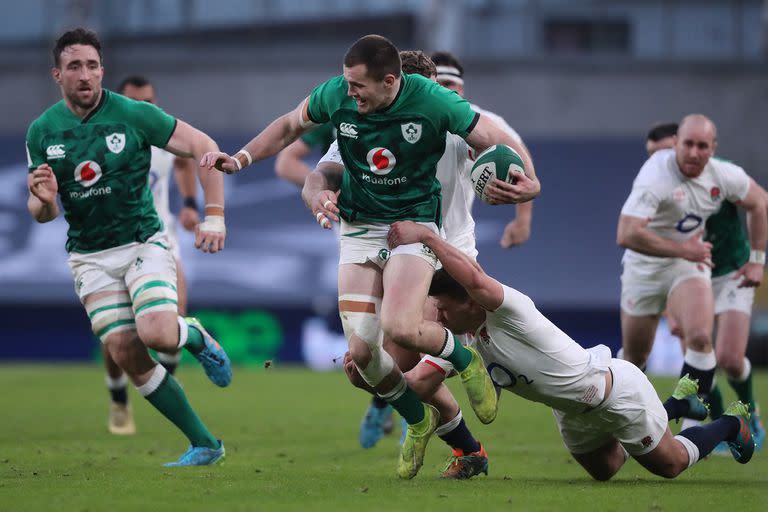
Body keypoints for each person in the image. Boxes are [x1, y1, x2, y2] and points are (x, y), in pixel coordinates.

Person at [201, 34, 540, 478]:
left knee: (408, 345)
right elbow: (301, 147)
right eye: (349, 84)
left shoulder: (441, 107)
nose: (351, 91)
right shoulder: (348, 105)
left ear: (392, 82)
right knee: (362, 362)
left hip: (428, 234)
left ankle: (460, 366)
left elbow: (501, 140)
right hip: (364, 229)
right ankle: (434, 428)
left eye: (359, 85)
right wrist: (257, 166)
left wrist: (528, 188)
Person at [387, 219, 755, 480]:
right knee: (605, 470)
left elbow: (476, 278)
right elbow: (420, 382)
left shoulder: (510, 310)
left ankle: (729, 424)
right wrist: (380, 378)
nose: (439, 316)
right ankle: (674, 406)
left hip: (612, 393)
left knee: (670, 465)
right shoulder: (463, 339)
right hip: (570, 412)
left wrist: (426, 237)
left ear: (470, 302)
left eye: (444, 307)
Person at [26, 28, 231, 466]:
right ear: (57, 74)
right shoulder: (41, 132)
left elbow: (203, 148)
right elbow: (42, 211)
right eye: (75, 66)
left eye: (93, 65)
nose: (85, 74)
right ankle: (206, 445)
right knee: (126, 353)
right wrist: (42, 202)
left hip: (142, 242)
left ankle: (194, 335)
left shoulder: (135, 115)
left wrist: (213, 213)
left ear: (103, 71)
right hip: (89, 257)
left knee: (158, 333)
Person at [315, 50, 490, 478]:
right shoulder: (364, 126)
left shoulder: (451, 129)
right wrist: (318, 192)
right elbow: (320, 170)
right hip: (398, 255)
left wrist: (520, 192)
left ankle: (438, 413)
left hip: (451, 263)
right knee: (363, 369)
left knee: (414, 373)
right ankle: (466, 448)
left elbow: (505, 148)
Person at [617, 114, 766, 418]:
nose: (694, 153)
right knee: (634, 357)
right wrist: (683, 249)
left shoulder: (723, 175)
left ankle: (692, 405)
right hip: (645, 268)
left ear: (713, 148)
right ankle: (629, 416)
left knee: (700, 338)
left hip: (696, 262)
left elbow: (760, 202)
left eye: (702, 146)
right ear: (677, 145)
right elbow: (626, 233)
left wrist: (757, 261)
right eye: (688, 145)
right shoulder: (656, 175)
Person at [96, 75, 202, 436]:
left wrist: (189, 203)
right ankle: (119, 399)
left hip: (160, 237)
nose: (143, 108)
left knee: (177, 313)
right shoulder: (101, 140)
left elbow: (187, 161)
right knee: (119, 336)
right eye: (134, 101)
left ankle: (165, 388)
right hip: (113, 245)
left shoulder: (162, 135)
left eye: (149, 101)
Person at [431, 51, 532, 249]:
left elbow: (520, 157)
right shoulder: (407, 123)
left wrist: (523, 220)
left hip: (456, 241)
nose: (443, 91)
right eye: (437, 84)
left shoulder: (485, 123)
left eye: (449, 84)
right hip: (409, 236)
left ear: (460, 88)